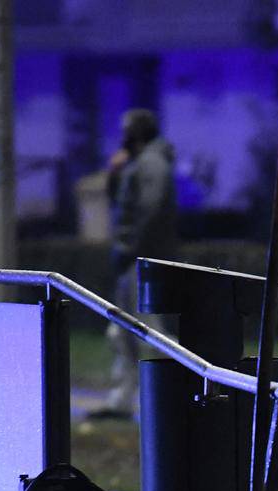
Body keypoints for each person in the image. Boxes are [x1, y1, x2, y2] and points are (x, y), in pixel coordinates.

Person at [95, 108, 178, 419]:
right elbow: (122, 203)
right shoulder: (139, 163)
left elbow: (150, 211)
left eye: (126, 130)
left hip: (144, 261)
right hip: (136, 260)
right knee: (124, 332)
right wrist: (115, 175)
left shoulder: (152, 164)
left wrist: (131, 248)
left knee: (152, 332)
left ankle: (169, 395)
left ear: (139, 132)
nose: (122, 136)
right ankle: (124, 400)